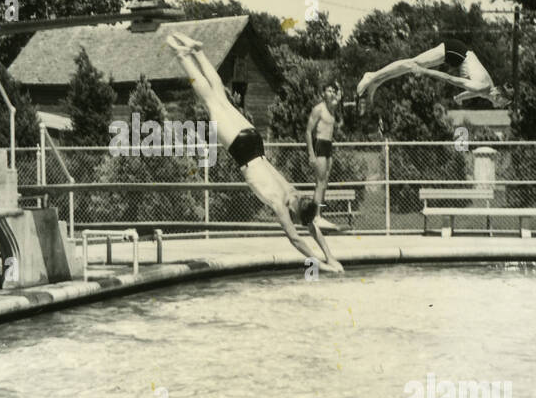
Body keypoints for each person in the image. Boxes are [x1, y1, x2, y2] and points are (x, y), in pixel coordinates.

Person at [167, 32, 343, 271]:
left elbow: (311, 225)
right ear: (294, 211)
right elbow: (296, 239)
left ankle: (197, 51)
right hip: (244, 151)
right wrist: (322, 264)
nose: (295, 222)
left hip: (255, 142)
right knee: (210, 100)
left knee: (220, 96)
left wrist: (330, 256)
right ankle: (182, 56)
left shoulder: (294, 193)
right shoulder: (281, 204)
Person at [356, 37, 511, 108]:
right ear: (498, 95)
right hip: (456, 51)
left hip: (458, 54)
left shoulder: (487, 89)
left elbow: (473, 92)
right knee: (412, 63)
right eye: (501, 103)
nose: (500, 107)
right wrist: (425, 71)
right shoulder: (483, 87)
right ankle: (372, 76)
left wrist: (459, 97)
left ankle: (377, 81)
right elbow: (450, 78)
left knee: (409, 66)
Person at [306, 82, 342, 222]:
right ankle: (316, 216)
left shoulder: (331, 108)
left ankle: (319, 213)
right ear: (323, 93)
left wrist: (338, 87)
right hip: (320, 144)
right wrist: (311, 153)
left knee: (325, 182)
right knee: (320, 183)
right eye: (329, 90)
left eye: (333, 91)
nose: (332, 93)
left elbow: (339, 96)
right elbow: (308, 132)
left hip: (329, 145)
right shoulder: (318, 109)